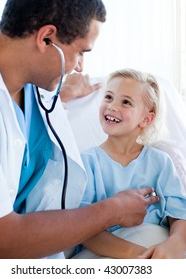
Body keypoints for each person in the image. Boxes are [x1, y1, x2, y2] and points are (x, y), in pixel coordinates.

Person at [0, 0, 158, 259]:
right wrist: (111, 211)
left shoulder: (31, 83)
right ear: (46, 38)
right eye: (81, 52)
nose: (80, 66)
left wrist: (63, 93)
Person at [77, 69, 186, 259]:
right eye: (108, 97)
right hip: (109, 254)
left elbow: (179, 214)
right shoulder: (86, 163)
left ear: (146, 119)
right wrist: (141, 257)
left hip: (156, 247)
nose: (112, 106)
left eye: (126, 102)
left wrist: (175, 243)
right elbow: (82, 229)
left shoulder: (160, 162)